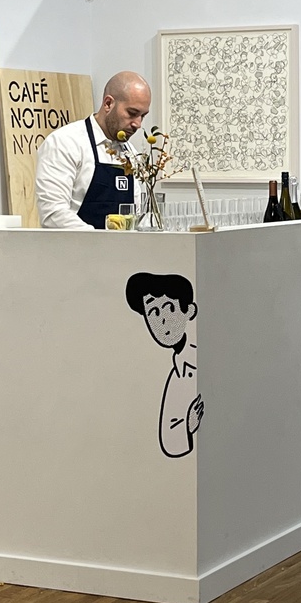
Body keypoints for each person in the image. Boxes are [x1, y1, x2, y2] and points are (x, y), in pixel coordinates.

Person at [35, 71, 151, 229]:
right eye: (132, 113)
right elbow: (53, 214)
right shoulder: (65, 143)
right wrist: (99, 240)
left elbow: (138, 214)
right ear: (108, 104)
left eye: (142, 116)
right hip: (75, 245)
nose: (137, 124)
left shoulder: (132, 154)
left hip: (121, 245)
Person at [125, 272, 204, 458]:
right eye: (153, 313)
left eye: (169, 309)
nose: (162, 320)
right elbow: (169, 438)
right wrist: (188, 425)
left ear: (189, 311)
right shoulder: (176, 378)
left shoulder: (203, 353)